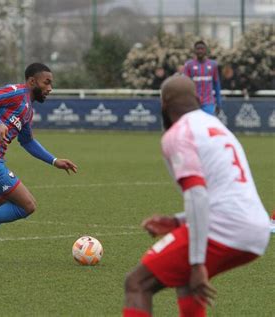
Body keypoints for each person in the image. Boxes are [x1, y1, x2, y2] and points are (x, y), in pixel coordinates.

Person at [122, 75, 270, 317]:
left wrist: (197, 262)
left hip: (226, 227)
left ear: (164, 104)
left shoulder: (179, 134)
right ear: (198, 100)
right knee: (185, 280)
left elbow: (198, 195)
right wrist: (178, 221)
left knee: (137, 283)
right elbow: (221, 195)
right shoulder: (216, 126)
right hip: (257, 228)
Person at [0, 63, 78, 263]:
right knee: (27, 206)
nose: (50, 88)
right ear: (32, 81)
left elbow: (27, 141)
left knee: (1, 210)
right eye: (47, 82)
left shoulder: (27, 110)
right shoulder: (17, 92)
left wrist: (54, 161)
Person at [183, 41, 222, 115]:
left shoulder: (213, 65)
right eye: (198, 49)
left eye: (202, 49)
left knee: (207, 125)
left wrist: (219, 103)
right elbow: (185, 86)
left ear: (206, 50)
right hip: (193, 102)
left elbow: (217, 84)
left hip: (208, 103)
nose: (200, 51)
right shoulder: (189, 65)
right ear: (194, 51)